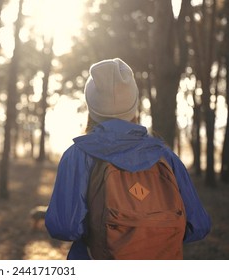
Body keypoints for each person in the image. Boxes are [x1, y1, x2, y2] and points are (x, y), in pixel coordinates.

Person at [45, 58, 211, 259]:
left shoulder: (78, 156)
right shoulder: (165, 155)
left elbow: (64, 227)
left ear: (92, 107)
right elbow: (198, 226)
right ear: (133, 105)